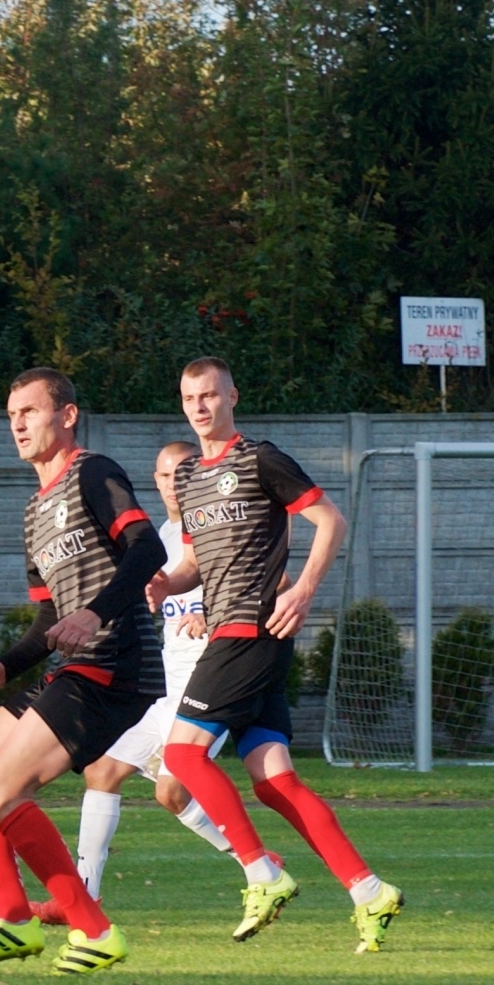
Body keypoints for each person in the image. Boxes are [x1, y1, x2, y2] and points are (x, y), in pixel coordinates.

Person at [147, 356, 404, 953]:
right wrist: (166, 583)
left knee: (183, 757)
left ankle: (262, 873)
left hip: (250, 630)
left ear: (232, 396)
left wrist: (305, 589)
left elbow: (329, 519)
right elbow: (194, 563)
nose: (201, 407)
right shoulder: (188, 479)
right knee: (272, 782)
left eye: (210, 395)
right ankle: (368, 890)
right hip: (233, 634)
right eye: (191, 399)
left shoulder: (260, 458)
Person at [0, 368, 168, 975]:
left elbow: (149, 550)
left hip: (117, 665)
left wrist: (94, 615)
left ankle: (94, 931)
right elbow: (47, 622)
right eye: (11, 413)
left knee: (2, 789)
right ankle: (13, 919)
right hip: (75, 667)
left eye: (30, 411)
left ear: (66, 416)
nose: (17, 423)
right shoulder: (35, 512)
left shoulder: (94, 472)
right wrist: (2, 667)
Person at [27, 440, 253, 925]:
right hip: (164, 680)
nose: (174, 483)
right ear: (155, 482)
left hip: (208, 677)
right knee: (101, 772)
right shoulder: (162, 537)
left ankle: (256, 866)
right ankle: (84, 899)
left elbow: (261, 584)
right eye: (165, 475)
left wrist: (213, 615)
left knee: (171, 792)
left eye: (183, 472)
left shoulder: (216, 525)